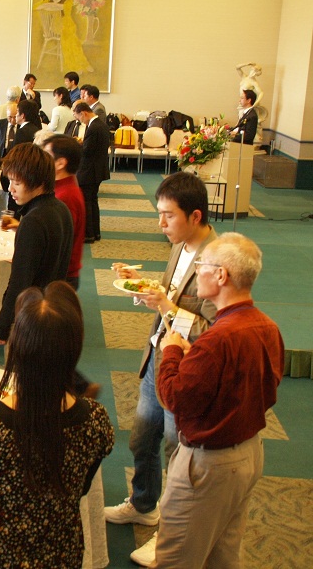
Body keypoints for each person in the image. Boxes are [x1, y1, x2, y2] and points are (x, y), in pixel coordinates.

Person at [0, 282, 114, 568]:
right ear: (74, 350)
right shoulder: (95, 421)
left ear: (18, 348)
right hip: (62, 556)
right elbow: (82, 489)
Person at [105, 172, 218, 566]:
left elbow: (215, 330)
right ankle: (143, 505)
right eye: (159, 214)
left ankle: (170, 533)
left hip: (185, 370)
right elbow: (173, 295)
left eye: (168, 216)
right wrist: (143, 286)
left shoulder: (218, 259)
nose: (161, 224)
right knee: (141, 439)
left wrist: (169, 307)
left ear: (196, 215)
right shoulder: (181, 244)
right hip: (158, 358)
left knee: (176, 453)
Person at [153, 233, 283, 568]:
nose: (197, 270)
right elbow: (261, 386)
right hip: (248, 453)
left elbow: (174, 397)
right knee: (222, 556)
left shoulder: (218, 339)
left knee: (176, 558)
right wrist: (194, 355)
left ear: (221, 275)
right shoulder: (267, 326)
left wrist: (172, 352)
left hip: (209, 464)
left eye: (202, 265)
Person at [0, 143, 73, 345]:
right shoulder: (60, 209)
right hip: (53, 309)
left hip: (31, 316)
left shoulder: (33, 220)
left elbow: (19, 282)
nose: (10, 189)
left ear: (38, 182)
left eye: (17, 183)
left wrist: (2, 326)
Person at [35, 132, 85, 289]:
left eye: (46, 155)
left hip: (60, 276)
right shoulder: (62, 188)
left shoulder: (65, 196)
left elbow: (58, 243)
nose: (41, 160)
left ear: (60, 163)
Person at [72, 101, 110, 242]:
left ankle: (88, 234)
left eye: (79, 117)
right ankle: (95, 232)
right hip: (97, 169)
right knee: (93, 201)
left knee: (86, 202)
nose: (80, 121)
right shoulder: (101, 124)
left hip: (89, 171)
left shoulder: (93, 127)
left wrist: (76, 145)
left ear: (84, 113)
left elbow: (87, 151)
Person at [39, 0, 93, 74]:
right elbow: (38, 6)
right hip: (56, 28)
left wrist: (50, 6)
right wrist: (50, 5)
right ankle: (76, 66)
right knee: (69, 42)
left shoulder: (68, 1)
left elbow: (62, 7)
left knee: (75, 42)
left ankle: (83, 63)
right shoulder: (48, 0)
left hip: (68, 27)